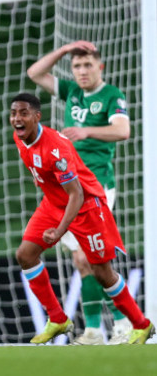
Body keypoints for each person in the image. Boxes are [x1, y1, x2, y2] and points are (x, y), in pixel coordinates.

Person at [9, 93, 153, 345]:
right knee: (25, 254)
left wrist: (59, 231)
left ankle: (141, 325)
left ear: (36, 116)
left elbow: (76, 193)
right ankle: (57, 318)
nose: (17, 119)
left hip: (85, 206)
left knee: (101, 271)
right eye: (14, 113)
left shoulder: (56, 148)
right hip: (53, 203)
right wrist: (42, 178)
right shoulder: (20, 138)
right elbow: (38, 167)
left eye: (23, 113)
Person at [27, 41, 132, 344]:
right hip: (68, 188)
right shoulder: (72, 92)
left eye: (88, 65)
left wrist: (86, 131)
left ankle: (122, 323)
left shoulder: (112, 96)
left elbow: (123, 130)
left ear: (100, 67)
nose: (82, 71)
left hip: (97, 187)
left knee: (92, 257)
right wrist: (63, 51)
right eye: (77, 66)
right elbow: (35, 73)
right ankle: (95, 331)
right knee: (82, 259)